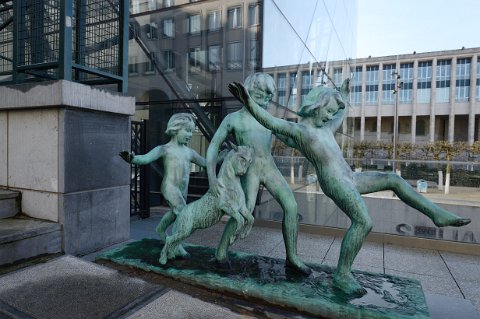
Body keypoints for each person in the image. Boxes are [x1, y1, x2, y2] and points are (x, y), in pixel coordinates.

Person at [228, 78, 471, 296]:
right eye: (328, 111)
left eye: (332, 113)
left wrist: (343, 97)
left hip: (350, 177)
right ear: (317, 106)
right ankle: (342, 275)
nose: (329, 116)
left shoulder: (326, 129)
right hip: (334, 183)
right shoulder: (299, 130)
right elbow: (268, 120)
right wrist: (248, 101)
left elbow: (339, 118)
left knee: (394, 180)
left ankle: (436, 214)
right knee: (363, 222)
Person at [206, 73, 311, 275]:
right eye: (262, 91)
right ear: (248, 89)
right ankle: (220, 251)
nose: (267, 96)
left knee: (291, 206)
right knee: (244, 212)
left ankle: (292, 257)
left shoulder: (268, 119)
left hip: (269, 167)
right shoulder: (233, 119)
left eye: (270, 93)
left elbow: (289, 138)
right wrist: (211, 176)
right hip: (250, 170)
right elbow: (213, 147)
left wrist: (307, 141)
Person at [120, 113, 206, 258]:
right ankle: (175, 246)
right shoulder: (165, 149)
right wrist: (132, 159)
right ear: (175, 130)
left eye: (192, 131)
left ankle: (161, 230)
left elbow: (205, 162)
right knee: (184, 214)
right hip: (169, 187)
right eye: (187, 131)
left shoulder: (189, 152)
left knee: (175, 213)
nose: (190, 135)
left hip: (182, 189)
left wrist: (220, 157)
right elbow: (146, 158)